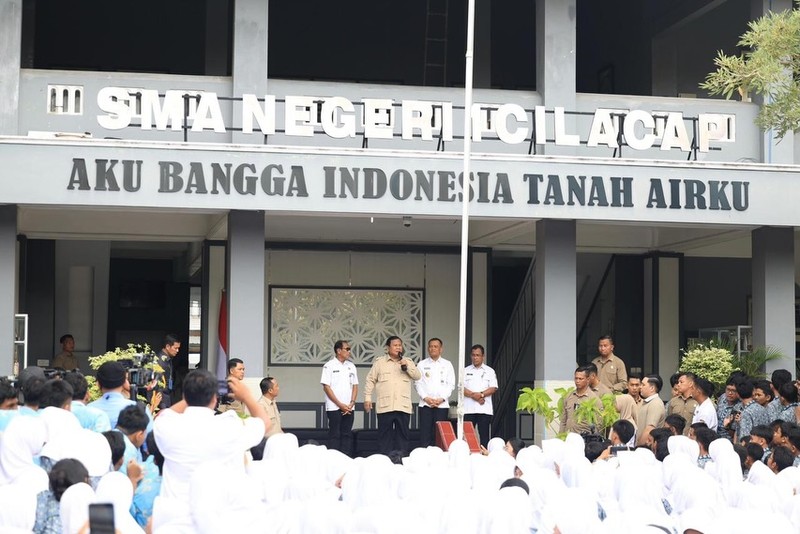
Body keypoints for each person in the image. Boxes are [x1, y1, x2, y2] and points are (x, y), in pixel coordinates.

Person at [153, 369, 270, 503]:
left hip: (177, 511)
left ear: (184, 395)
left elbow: (163, 415)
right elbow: (265, 423)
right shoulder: (231, 426)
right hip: (219, 509)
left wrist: (192, 395)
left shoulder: (169, 425)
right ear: (215, 398)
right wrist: (247, 396)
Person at [363, 336, 421, 455]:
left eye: (400, 345)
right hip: (385, 406)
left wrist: (407, 367)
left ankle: (401, 459)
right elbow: (370, 380)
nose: (398, 347)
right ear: (388, 348)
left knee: (403, 436)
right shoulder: (380, 363)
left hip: (402, 406)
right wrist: (367, 398)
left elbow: (417, 376)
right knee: (384, 437)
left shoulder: (408, 361)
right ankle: (385, 460)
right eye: (395, 345)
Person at [414, 337, 455, 448]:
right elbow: (417, 383)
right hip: (425, 405)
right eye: (431, 346)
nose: (433, 348)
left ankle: (440, 455)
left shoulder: (447, 364)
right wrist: (426, 398)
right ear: (428, 348)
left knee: (440, 434)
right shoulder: (421, 364)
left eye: (435, 346)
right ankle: (425, 454)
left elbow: (451, 384)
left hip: (441, 405)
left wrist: (441, 399)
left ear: (441, 349)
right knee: (425, 434)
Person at [88, 361, 153, 431]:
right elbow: (150, 435)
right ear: (124, 382)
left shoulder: (87, 409)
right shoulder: (140, 410)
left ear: (98, 384)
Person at [321, 340, 359, 456]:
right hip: (334, 407)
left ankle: (345, 458)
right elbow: (326, 387)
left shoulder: (351, 366)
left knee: (346, 434)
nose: (349, 351)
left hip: (349, 407)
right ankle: (333, 458)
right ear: (338, 351)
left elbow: (355, 386)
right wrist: (339, 404)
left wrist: (352, 402)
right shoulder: (329, 366)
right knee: (335, 434)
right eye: (347, 349)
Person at [463, 344, 498, 448]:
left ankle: (484, 454)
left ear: (483, 356)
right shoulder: (465, 370)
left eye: (478, 355)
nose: (475, 357)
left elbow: (493, 388)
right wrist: (474, 396)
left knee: (484, 436)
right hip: (468, 409)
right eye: (473, 355)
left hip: (484, 409)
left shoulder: (490, 371)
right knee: (467, 436)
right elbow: (461, 389)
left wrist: (481, 394)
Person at [559, 366, 600, 435]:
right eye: (576, 378)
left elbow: (598, 424)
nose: (577, 381)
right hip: (568, 437)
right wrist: (561, 436)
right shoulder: (569, 396)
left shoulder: (594, 399)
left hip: (584, 438)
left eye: (581, 379)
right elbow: (563, 421)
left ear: (588, 379)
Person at [635, 374, 666, 446]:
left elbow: (649, 429)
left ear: (652, 388)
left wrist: (639, 447)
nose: (640, 387)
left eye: (643, 385)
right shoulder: (646, 402)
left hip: (647, 448)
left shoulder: (655, 404)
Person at [156, 334, 181, 408]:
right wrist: (161, 405)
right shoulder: (160, 361)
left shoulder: (168, 359)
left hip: (167, 395)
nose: (177, 351)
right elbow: (158, 384)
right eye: (175, 348)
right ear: (167, 346)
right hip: (162, 398)